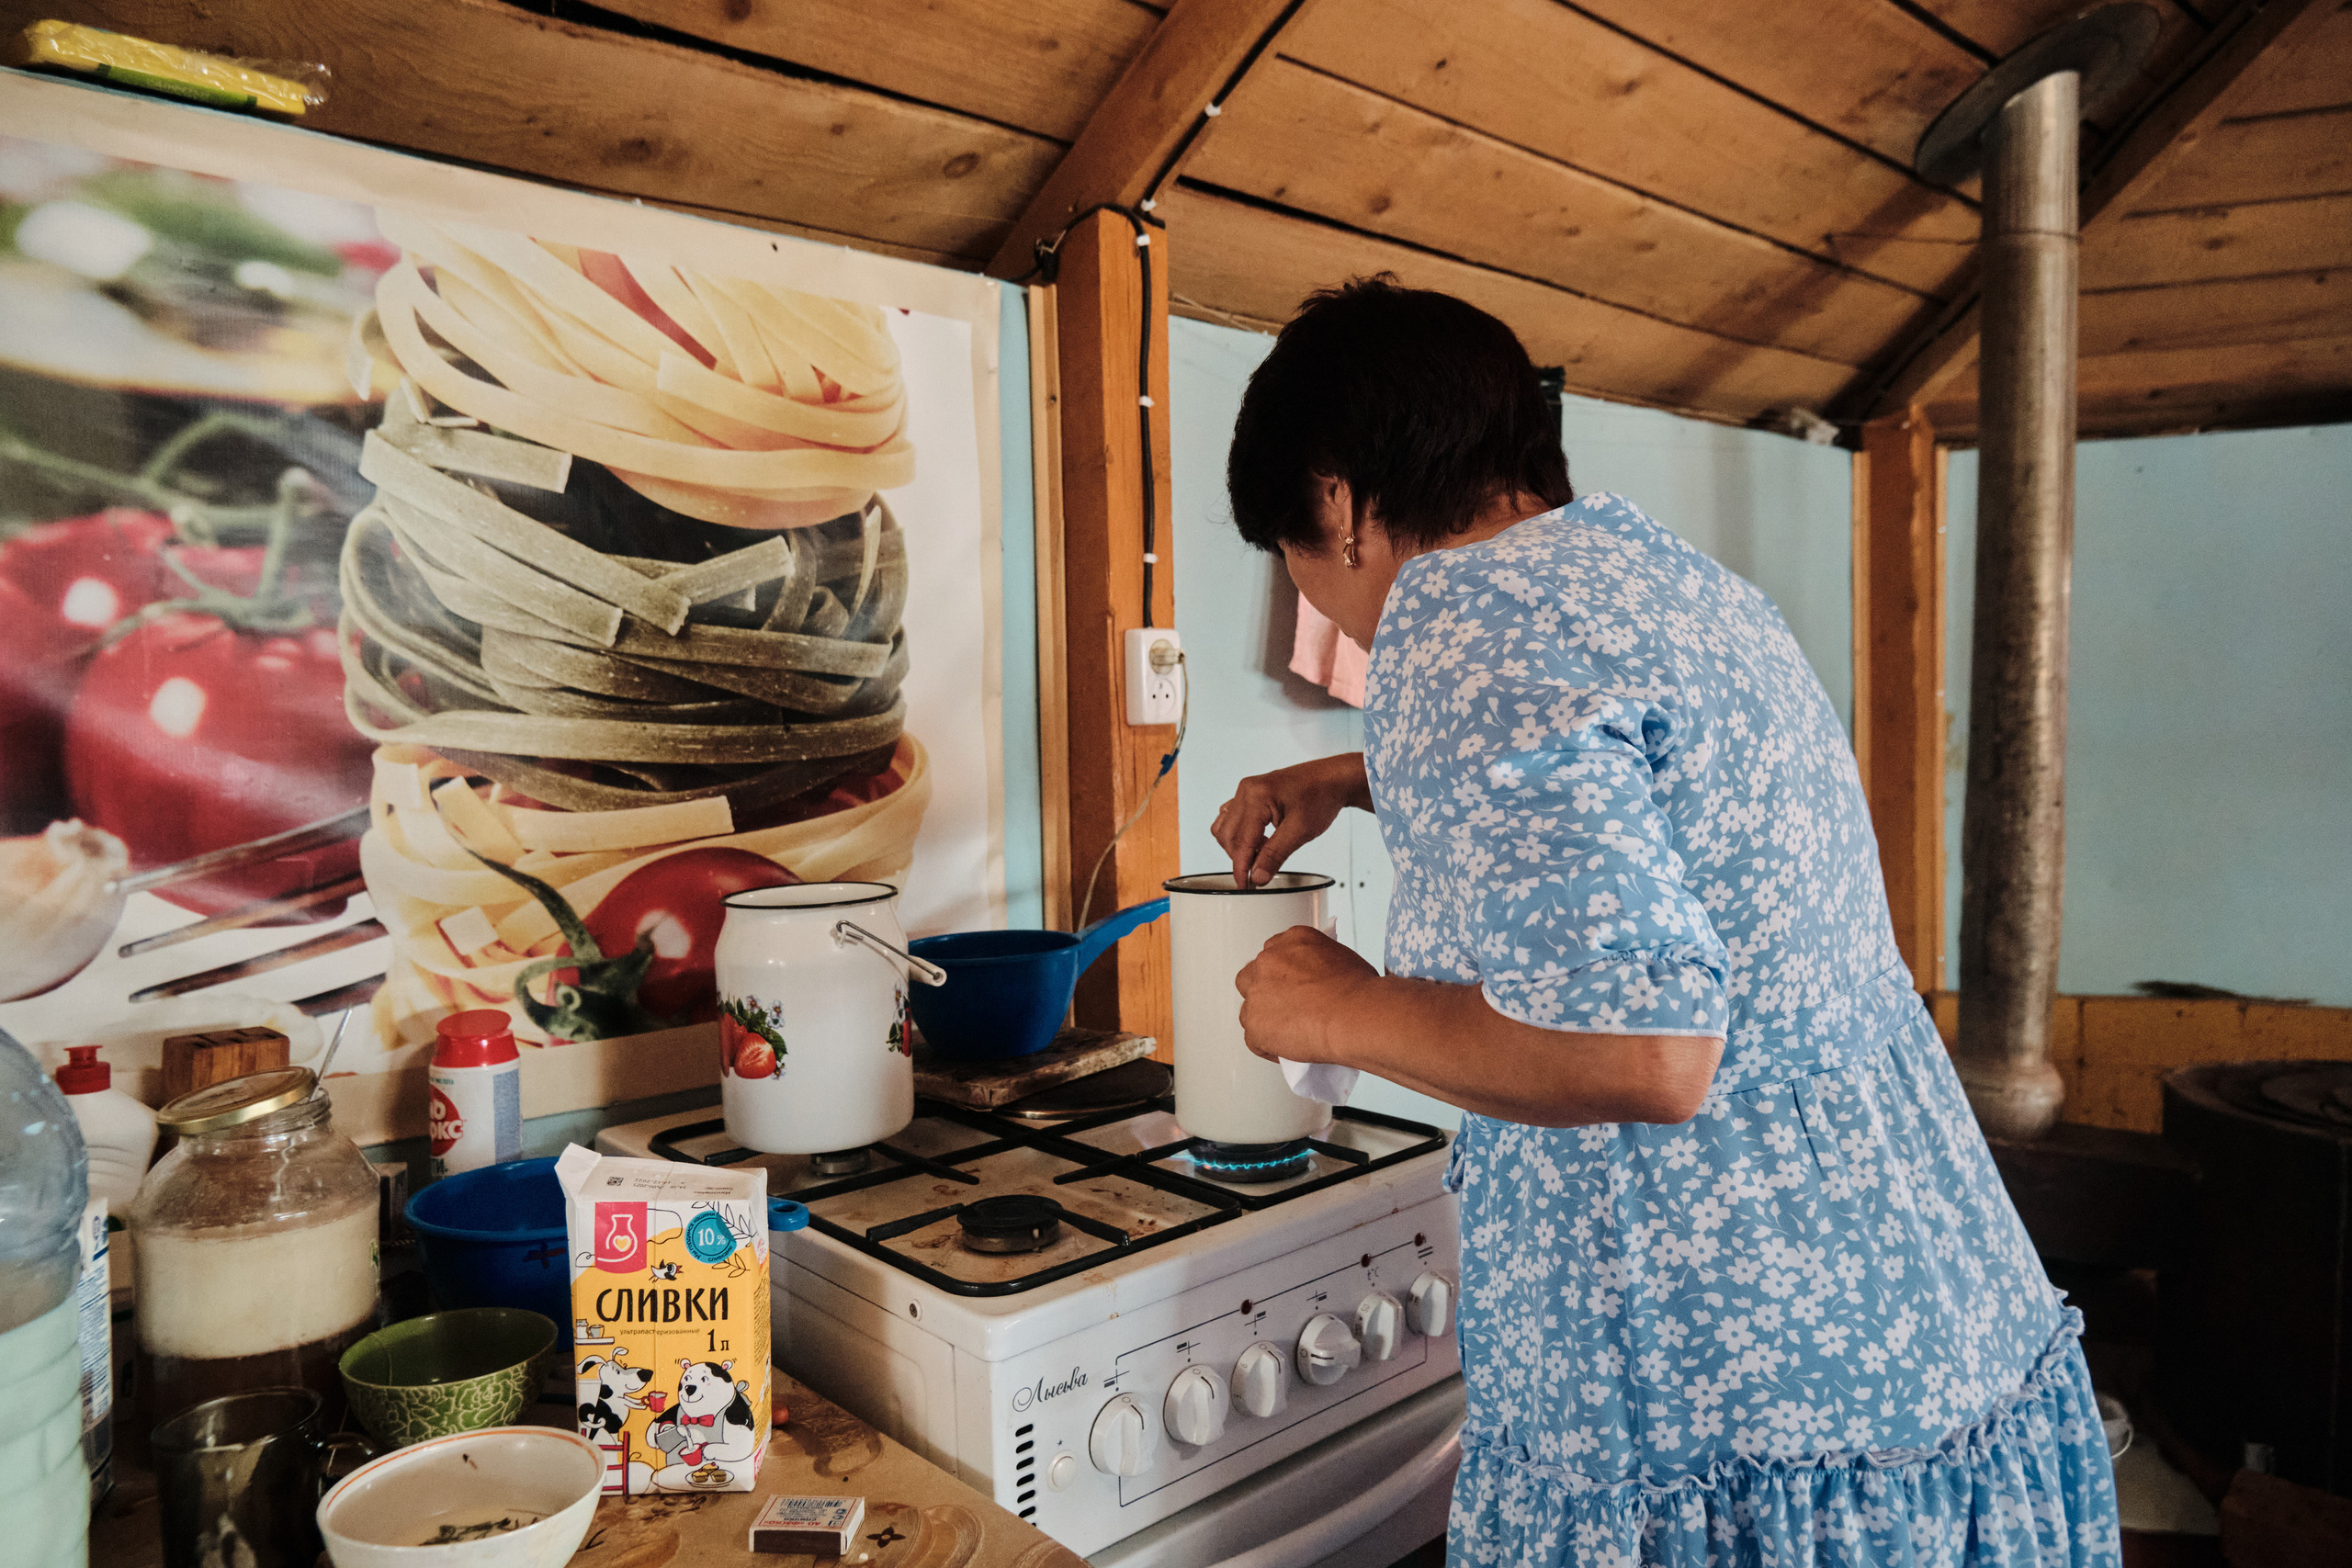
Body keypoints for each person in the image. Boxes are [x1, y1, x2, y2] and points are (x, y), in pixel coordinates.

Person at [1213, 277, 2118, 1566]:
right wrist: (1351, 779)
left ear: (1340, 504)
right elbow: (1653, 787)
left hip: (1715, 1362)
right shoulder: (1666, 582)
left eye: (1297, 558)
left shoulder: (1453, 619)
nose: (1326, 599)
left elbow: (1638, 1054)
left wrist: (1331, 1006)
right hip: (1913, 1309)